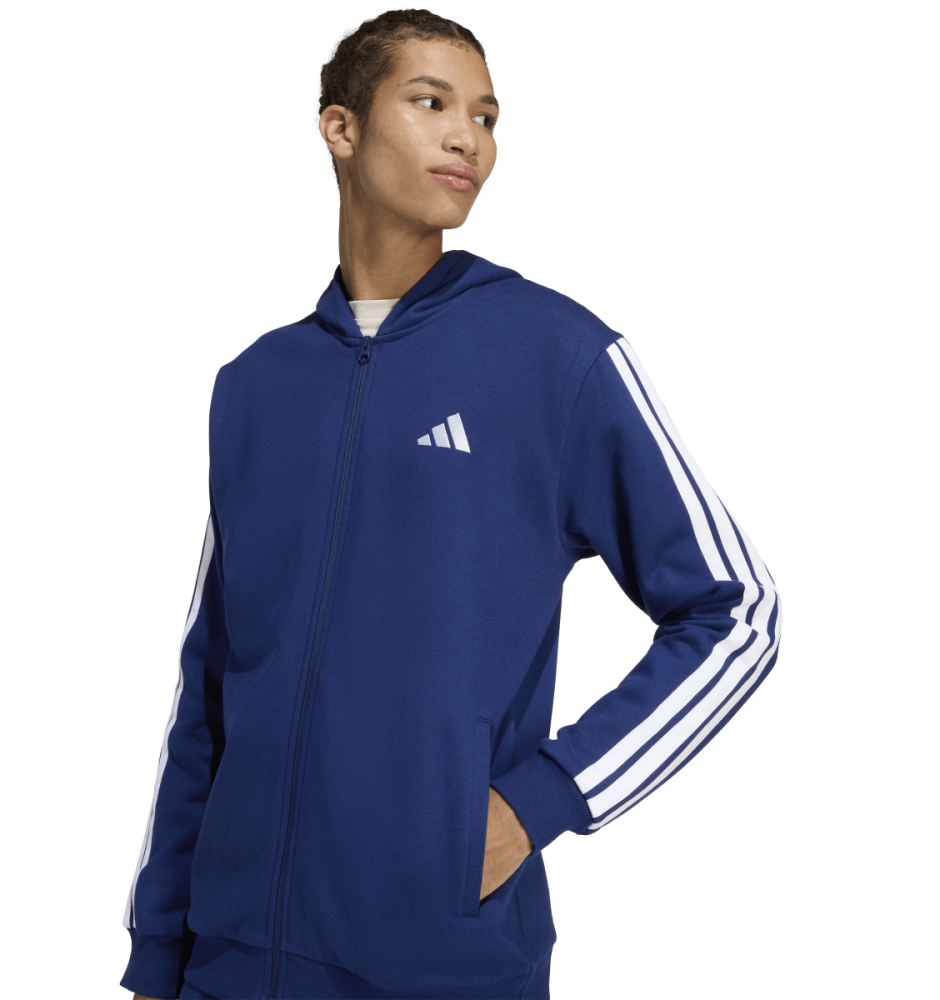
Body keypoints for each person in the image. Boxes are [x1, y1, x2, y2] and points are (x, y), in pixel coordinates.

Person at [121, 9, 781, 1000]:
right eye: (430, 103)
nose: (468, 137)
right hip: (231, 964)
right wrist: (158, 953)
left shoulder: (553, 356)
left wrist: (542, 799)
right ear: (340, 127)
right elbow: (211, 685)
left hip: (439, 963)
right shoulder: (255, 385)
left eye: (485, 115)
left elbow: (739, 614)